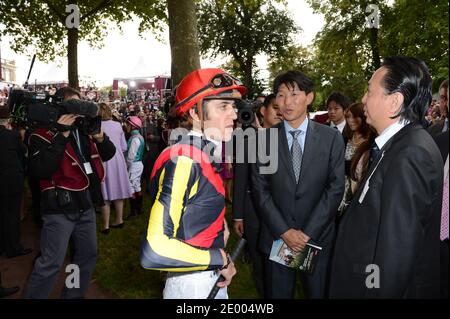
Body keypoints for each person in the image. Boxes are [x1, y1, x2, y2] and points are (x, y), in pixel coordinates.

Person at [329, 56, 443, 298]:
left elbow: (395, 255)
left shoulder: (411, 154)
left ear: (394, 102)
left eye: (369, 92)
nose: (363, 100)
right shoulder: (395, 145)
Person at [140, 68, 244, 299]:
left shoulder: (202, 152)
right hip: (192, 287)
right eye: (223, 107)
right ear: (195, 114)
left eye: (234, 107)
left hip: (207, 278)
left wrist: (220, 225)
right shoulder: (186, 159)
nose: (234, 115)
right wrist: (222, 258)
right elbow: (155, 251)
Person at [251, 71, 345, 299]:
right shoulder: (264, 140)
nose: (287, 102)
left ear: (309, 97)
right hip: (278, 239)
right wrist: (285, 231)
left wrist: (306, 233)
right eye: (281, 96)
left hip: (316, 238)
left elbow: (335, 189)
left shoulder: (330, 138)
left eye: (294, 94)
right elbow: (260, 190)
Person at [24, 87, 116, 299]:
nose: (78, 113)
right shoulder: (40, 134)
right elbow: (41, 171)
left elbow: (109, 154)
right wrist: (61, 134)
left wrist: (100, 136)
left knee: (85, 256)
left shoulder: (84, 130)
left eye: (80, 106)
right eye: (72, 107)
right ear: (59, 108)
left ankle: (72, 295)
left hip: (85, 204)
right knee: (50, 263)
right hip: (58, 208)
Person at [232, 93, 282, 297]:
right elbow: (240, 178)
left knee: (281, 266)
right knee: (260, 264)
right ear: (263, 111)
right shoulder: (249, 140)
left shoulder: (290, 139)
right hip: (254, 212)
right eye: (275, 108)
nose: (280, 112)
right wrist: (238, 214)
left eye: (282, 108)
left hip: (284, 214)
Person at [0, 106, 32, 259]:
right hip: (11, 181)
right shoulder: (12, 136)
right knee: (12, 215)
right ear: (8, 120)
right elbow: (24, 152)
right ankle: (13, 247)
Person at [99, 103, 132, 234]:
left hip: (103, 159)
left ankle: (105, 226)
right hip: (117, 159)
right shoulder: (118, 125)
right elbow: (124, 146)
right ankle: (119, 220)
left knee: (105, 193)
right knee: (118, 189)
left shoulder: (96, 126)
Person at [338, 102, 376, 215]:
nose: (351, 120)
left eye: (355, 116)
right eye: (348, 117)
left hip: (356, 194)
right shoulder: (344, 138)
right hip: (339, 191)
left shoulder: (371, 143)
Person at [124, 116, 145, 219]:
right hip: (138, 164)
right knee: (137, 186)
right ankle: (139, 209)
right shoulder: (139, 137)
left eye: (128, 124)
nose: (126, 126)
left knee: (131, 187)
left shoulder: (134, 138)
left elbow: (131, 156)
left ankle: (133, 212)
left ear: (132, 126)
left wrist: (126, 166)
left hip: (133, 165)